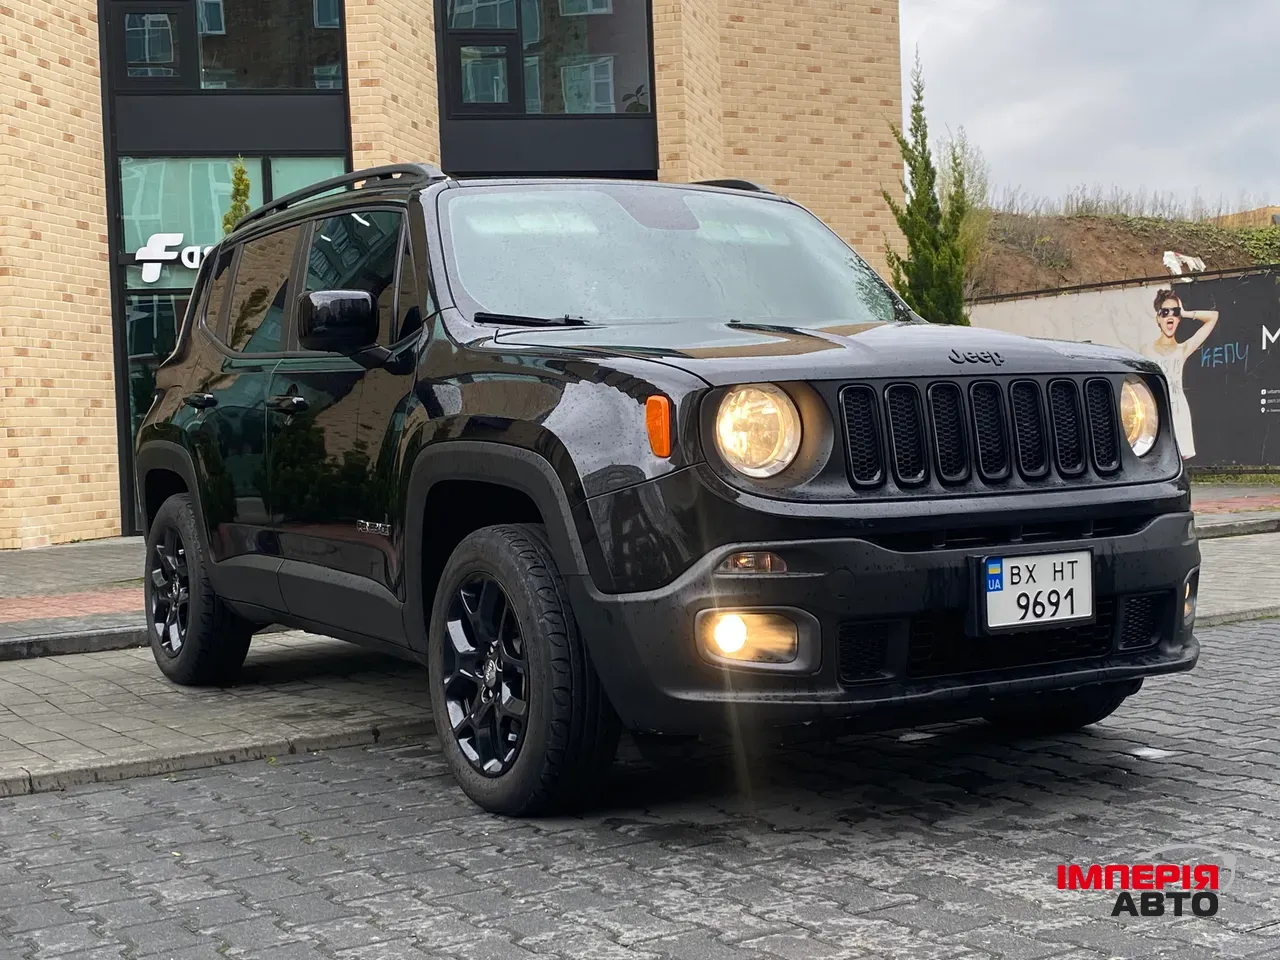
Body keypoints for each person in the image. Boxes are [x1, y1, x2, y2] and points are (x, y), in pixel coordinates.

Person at [1140, 288, 1217, 459]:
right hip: (1156, 410)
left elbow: (1213, 317)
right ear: (1158, 318)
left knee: (1179, 461)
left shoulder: (1183, 349)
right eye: (1165, 312)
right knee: (1155, 458)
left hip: (1178, 409)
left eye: (1174, 313)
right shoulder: (1146, 349)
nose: (1170, 316)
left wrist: (1186, 312)